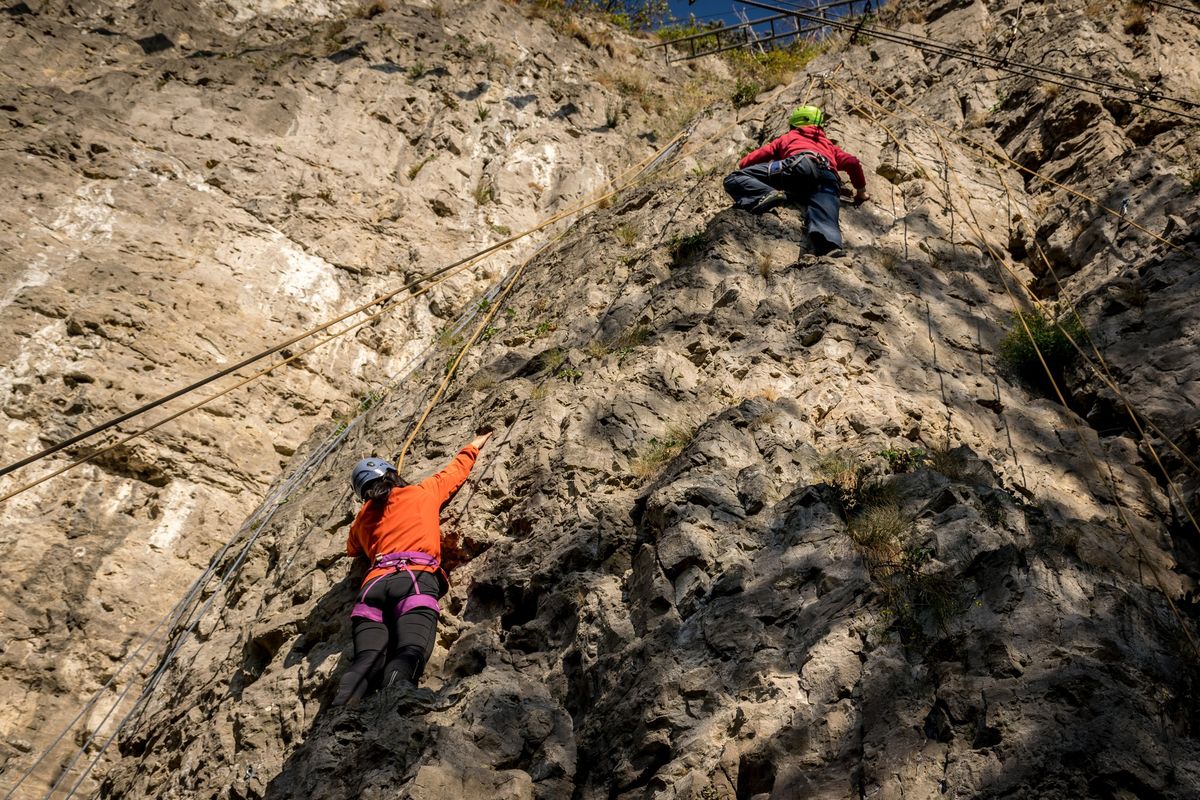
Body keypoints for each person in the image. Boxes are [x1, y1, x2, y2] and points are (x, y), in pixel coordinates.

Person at [331, 430, 492, 707]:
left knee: (367, 658)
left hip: (372, 587)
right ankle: (394, 704)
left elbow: (352, 549)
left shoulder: (361, 520)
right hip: (413, 579)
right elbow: (455, 472)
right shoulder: (421, 493)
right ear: (392, 475)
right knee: (410, 649)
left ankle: (340, 711)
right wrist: (474, 445)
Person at [723, 105, 870, 256]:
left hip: (798, 166)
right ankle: (829, 247)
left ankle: (765, 194)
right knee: (825, 214)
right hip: (828, 178)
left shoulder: (788, 137)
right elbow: (852, 163)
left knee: (734, 178)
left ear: (795, 124)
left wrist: (753, 162)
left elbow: (748, 161)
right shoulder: (829, 145)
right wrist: (861, 192)